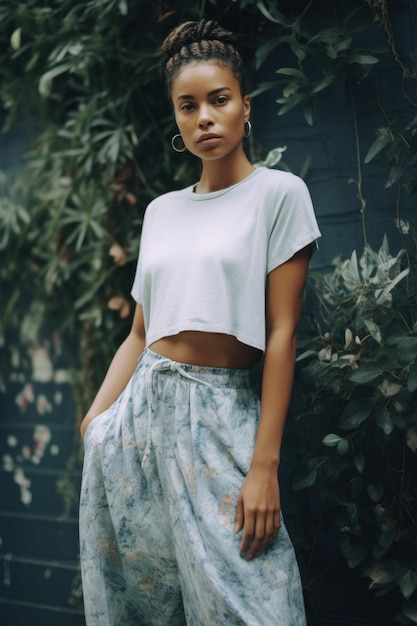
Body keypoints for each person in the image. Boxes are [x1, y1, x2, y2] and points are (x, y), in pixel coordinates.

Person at [79, 18, 321, 626]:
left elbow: (282, 334)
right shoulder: (162, 212)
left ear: (245, 106)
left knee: (253, 604)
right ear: (177, 121)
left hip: (220, 421)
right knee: (145, 604)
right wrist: (96, 422)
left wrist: (264, 465)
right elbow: (140, 332)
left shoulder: (280, 195)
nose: (205, 117)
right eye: (188, 107)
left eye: (219, 100)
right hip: (136, 422)